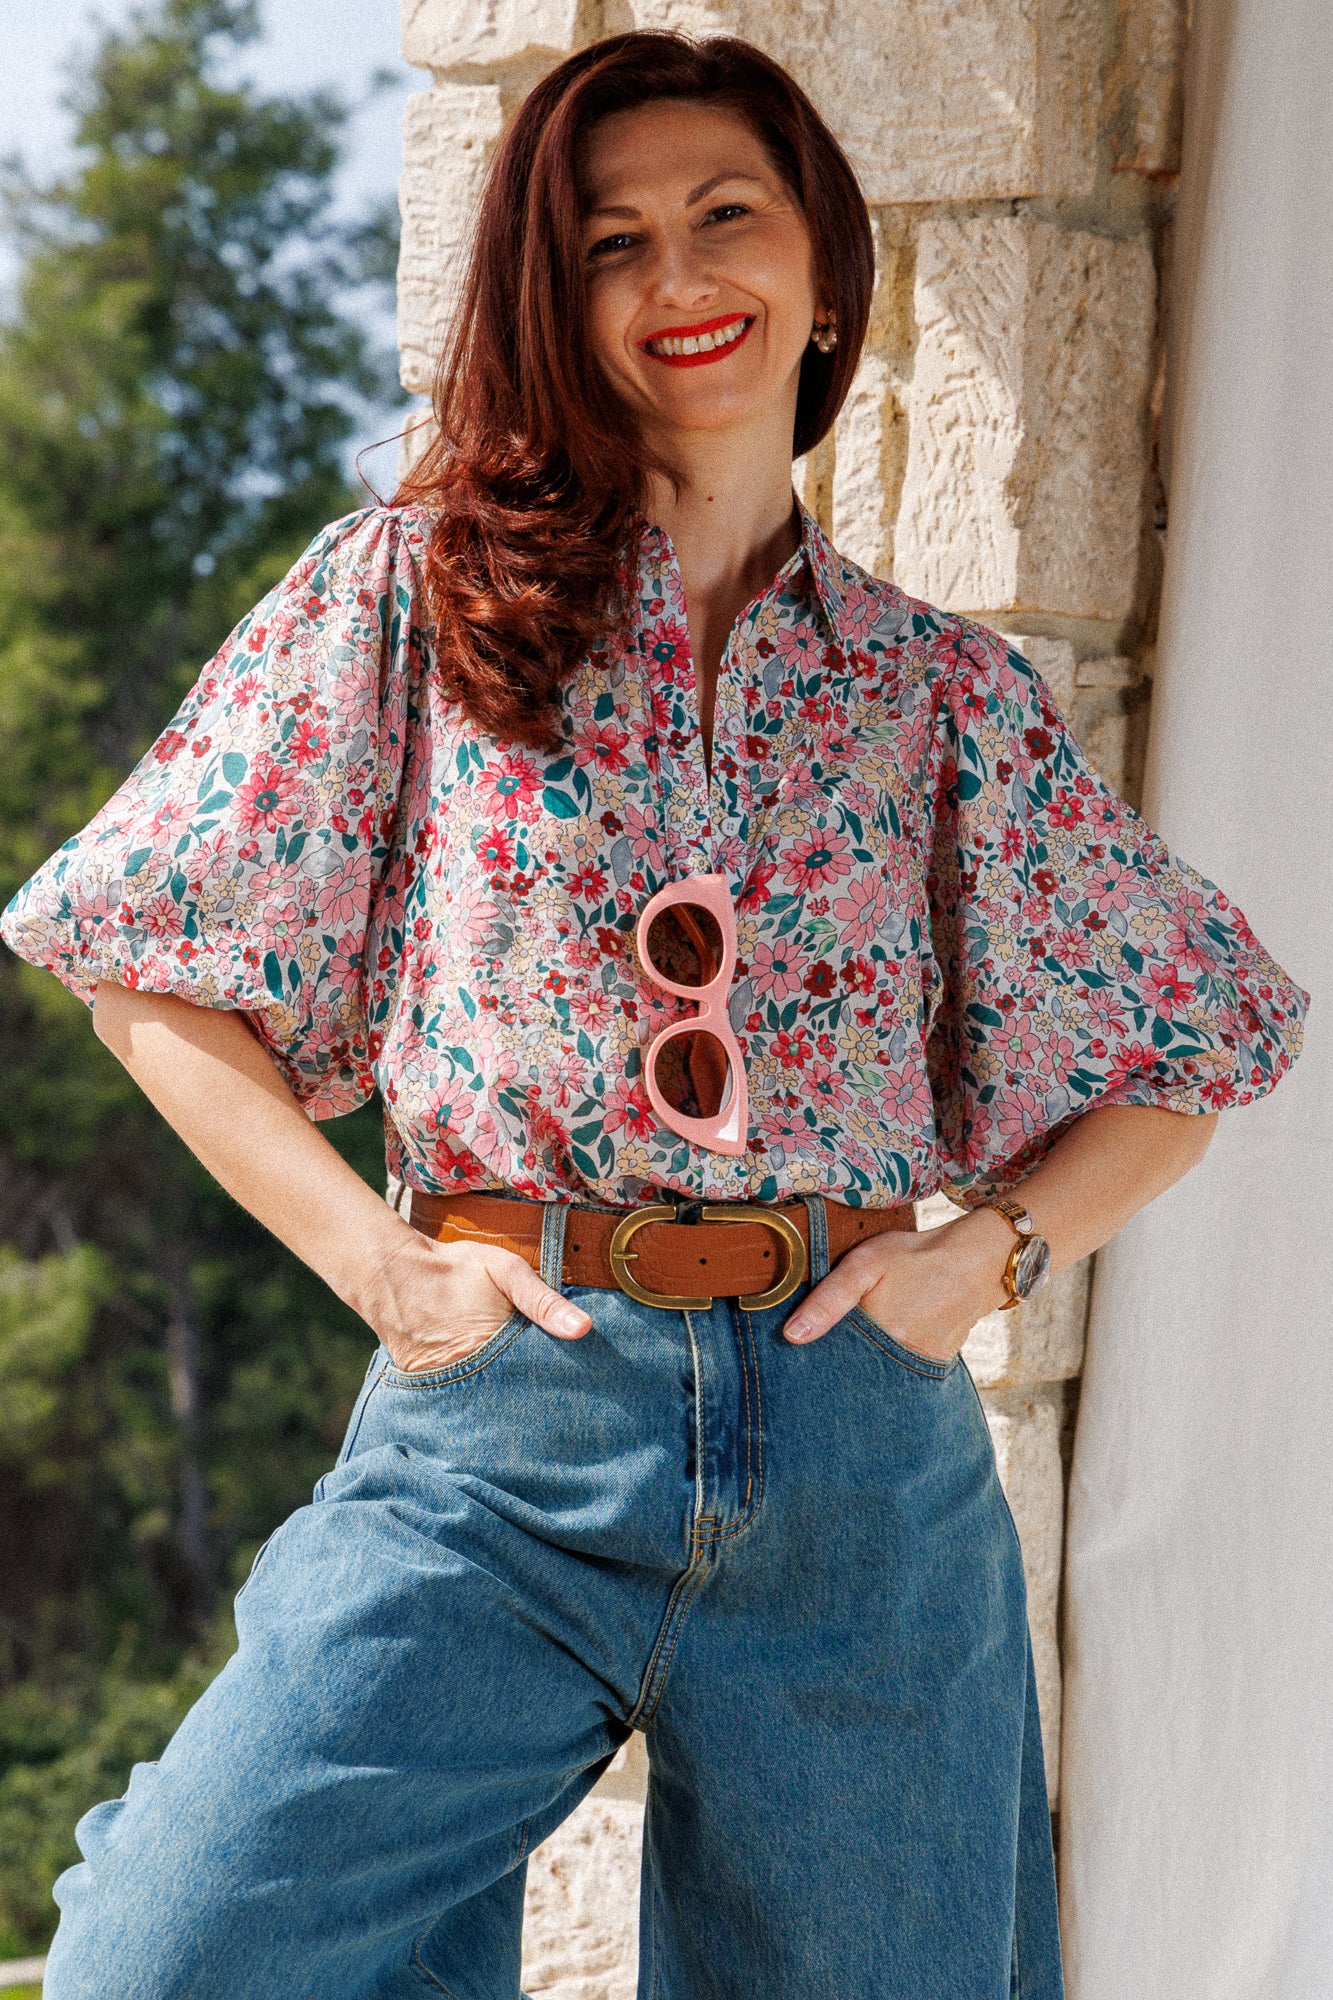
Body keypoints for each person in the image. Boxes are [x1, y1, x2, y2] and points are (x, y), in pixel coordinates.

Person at [1, 30, 1308, 2000]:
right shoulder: (415, 601)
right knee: (169, 1953)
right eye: (611, 242)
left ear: (825, 272)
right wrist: (380, 1268)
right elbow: (145, 966)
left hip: (856, 1463)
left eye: (724, 217)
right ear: (559, 297)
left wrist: (988, 1257)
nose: (676, 277)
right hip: (506, 1421)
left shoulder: (934, 691)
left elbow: (1189, 1045)